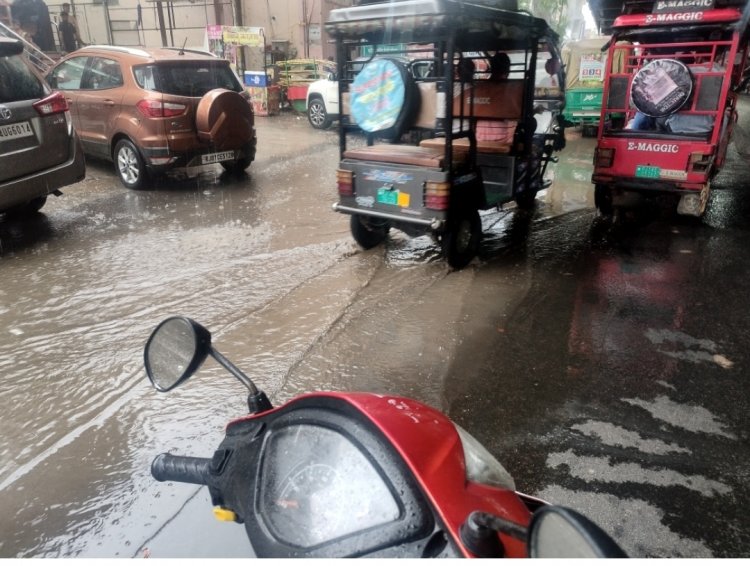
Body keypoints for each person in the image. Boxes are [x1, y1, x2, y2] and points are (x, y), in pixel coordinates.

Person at [476, 52, 516, 143]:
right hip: (503, 138)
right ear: (507, 70)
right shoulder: (511, 89)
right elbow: (516, 113)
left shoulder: (480, 87)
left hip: (480, 137)